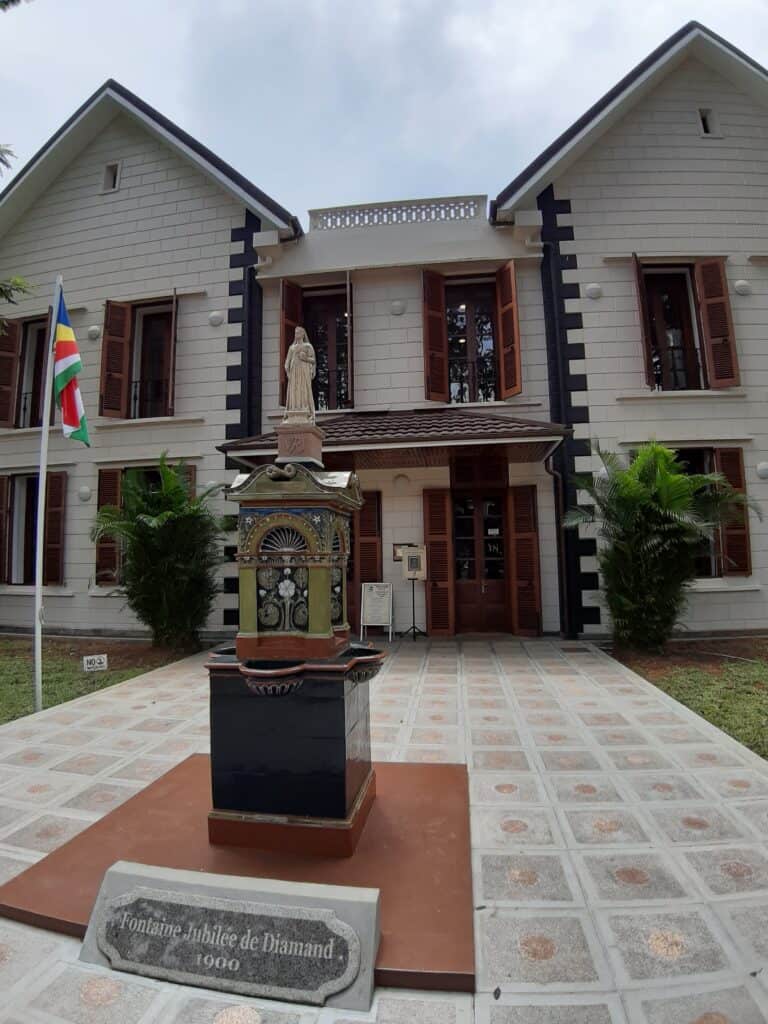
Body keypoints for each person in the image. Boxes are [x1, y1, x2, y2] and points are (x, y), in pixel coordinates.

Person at [283, 326, 316, 422]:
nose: (296, 334)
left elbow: (313, 360)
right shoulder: (292, 347)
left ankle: (305, 409)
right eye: (295, 333)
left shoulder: (307, 346)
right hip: (294, 372)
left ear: (303, 334)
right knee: (294, 390)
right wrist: (288, 372)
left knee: (303, 389)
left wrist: (305, 358)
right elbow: (287, 362)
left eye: (298, 333)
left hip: (304, 371)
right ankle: (294, 409)